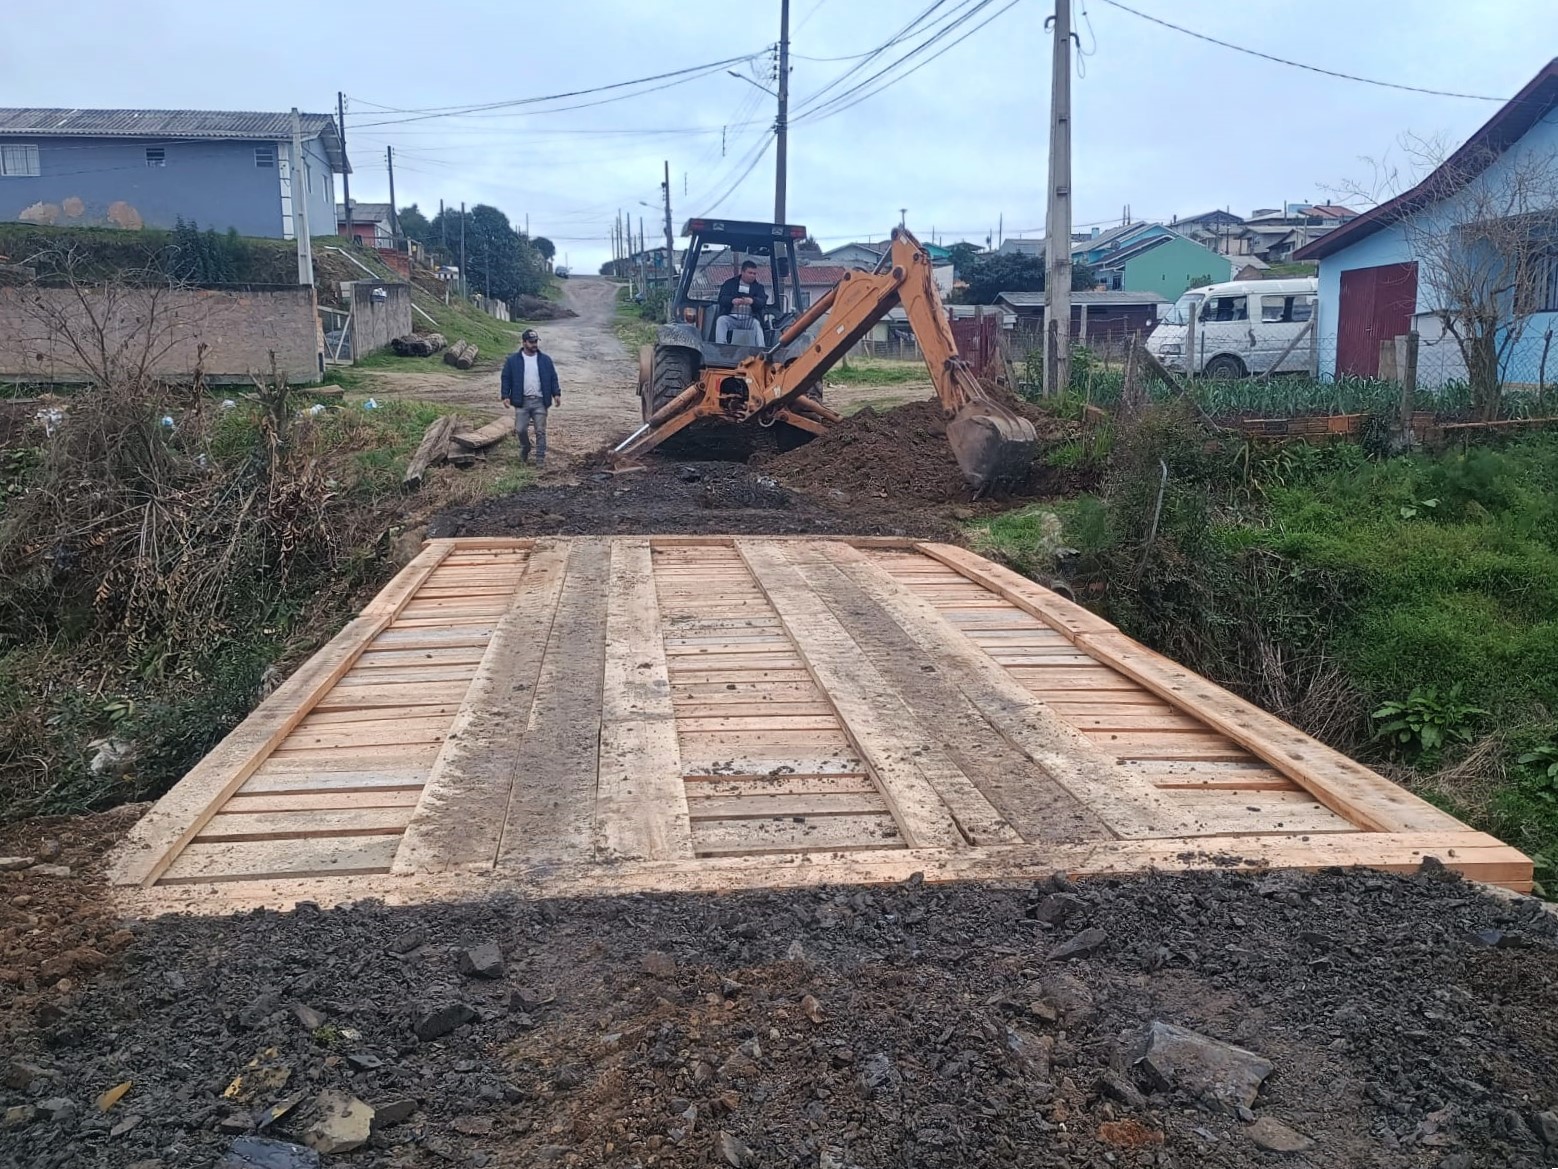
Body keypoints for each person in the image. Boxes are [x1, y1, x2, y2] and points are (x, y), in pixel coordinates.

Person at [499, 328, 561, 465]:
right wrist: (505, 396)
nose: (534, 344)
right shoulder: (513, 361)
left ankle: (540, 459)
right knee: (520, 429)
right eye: (531, 342)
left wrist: (556, 394)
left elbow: (553, 377)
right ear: (524, 342)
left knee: (540, 430)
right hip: (522, 401)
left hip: (540, 401)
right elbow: (506, 378)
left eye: (536, 341)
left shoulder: (545, 360)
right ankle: (526, 447)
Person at [715, 259, 769, 345]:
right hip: (731, 317)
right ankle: (721, 346)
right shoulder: (729, 284)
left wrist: (753, 301)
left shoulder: (759, 287)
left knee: (757, 325)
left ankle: (761, 350)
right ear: (742, 272)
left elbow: (763, 302)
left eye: (754, 274)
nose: (752, 276)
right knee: (721, 321)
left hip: (750, 318)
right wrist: (732, 300)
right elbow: (721, 299)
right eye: (750, 273)